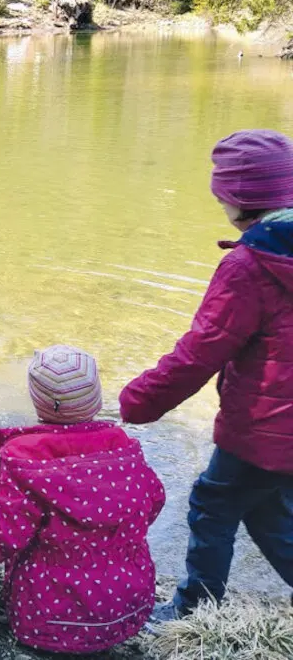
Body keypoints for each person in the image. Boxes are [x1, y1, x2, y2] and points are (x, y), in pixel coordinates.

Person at [121, 129, 293, 621]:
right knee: (268, 511)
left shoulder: (249, 266)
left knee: (212, 505)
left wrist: (138, 401)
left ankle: (195, 609)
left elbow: (200, 353)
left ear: (234, 200)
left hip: (264, 429)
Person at [0, 347, 165, 655]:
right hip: (127, 607)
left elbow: (0, 537)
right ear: (98, 399)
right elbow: (154, 502)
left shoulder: (25, 463)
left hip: (49, 619)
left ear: (38, 403)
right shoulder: (126, 450)